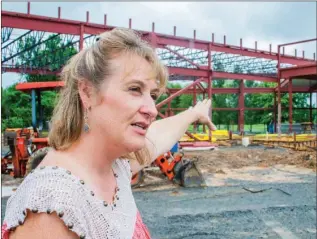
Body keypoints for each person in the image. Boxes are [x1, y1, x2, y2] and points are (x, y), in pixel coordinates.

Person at [2, 28, 216, 239]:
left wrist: (192, 114)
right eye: (134, 89)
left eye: (152, 95)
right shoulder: (50, 208)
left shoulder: (113, 167)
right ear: (87, 92)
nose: (152, 109)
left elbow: (159, 135)